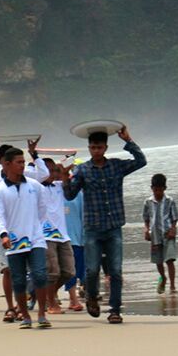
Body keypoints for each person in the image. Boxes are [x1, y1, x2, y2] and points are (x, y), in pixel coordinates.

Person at [62, 126, 146, 324]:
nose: (96, 151)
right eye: (92, 148)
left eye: (99, 147)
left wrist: (129, 141)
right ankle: (92, 296)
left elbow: (141, 161)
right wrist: (65, 177)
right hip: (92, 228)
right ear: (89, 148)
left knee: (115, 271)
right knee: (92, 270)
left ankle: (115, 309)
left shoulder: (116, 166)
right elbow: (69, 194)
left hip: (114, 226)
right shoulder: (83, 170)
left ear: (106, 148)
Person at [0, 148, 50, 329]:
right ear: (7, 164)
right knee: (18, 280)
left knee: (40, 275)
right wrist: (3, 233)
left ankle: (41, 313)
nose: (23, 165)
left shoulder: (33, 185)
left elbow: (43, 205)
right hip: (14, 240)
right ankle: (25, 315)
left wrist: (35, 225)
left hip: (35, 238)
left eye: (23, 162)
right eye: (19, 162)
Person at [39, 158, 76, 314]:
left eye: (54, 170)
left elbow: (71, 191)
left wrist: (64, 172)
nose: (52, 174)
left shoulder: (59, 187)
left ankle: (49, 294)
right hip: (45, 235)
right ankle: (51, 302)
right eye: (49, 170)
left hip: (62, 234)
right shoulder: (35, 187)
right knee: (52, 272)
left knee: (68, 271)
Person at [143, 173, 178, 295]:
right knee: (158, 261)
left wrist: (173, 229)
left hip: (168, 233)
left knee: (169, 260)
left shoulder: (170, 201)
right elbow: (146, 218)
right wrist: (146, 230)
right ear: (152, 188)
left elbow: (174, 217)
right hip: (155, 236)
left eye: (160, 189)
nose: (157, 192)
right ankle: (163, 277)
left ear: (165, 188)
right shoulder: (148, 202)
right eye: (155, 189)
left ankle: (173, 286)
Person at [63, 188, 85, 311]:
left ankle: (73, 298)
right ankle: (72, 299)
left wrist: (84, 237)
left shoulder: (79, 194)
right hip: (57, 237)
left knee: (75, 270)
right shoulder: (53, 192)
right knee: (61, 270)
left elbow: (83, 216)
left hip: (76, 238)